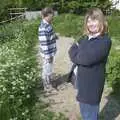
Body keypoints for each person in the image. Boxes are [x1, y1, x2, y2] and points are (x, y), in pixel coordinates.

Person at [68, 8, 112, 120]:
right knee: (84, 112)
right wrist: (78, 54)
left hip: (92, 86)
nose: (91, 24)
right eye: (88, 21)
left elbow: (85, 59)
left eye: (94, 20)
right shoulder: (85, 38)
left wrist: (78, 54)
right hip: (82, 84)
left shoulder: (104, 41)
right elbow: (71, 50)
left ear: (101, 21)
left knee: (90, 115)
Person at [38, 7, 58, 92]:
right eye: (52, 15)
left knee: (48, 68)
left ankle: (48, 83)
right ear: (47, 15)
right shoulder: (43, 27)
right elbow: (44, 43)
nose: (53, 17)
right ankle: (47, 87)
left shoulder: (47, 25)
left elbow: (48, 37)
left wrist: (54, 36)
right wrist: (48, 56)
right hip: (47, 53)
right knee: (47, 69)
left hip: (50, 52)